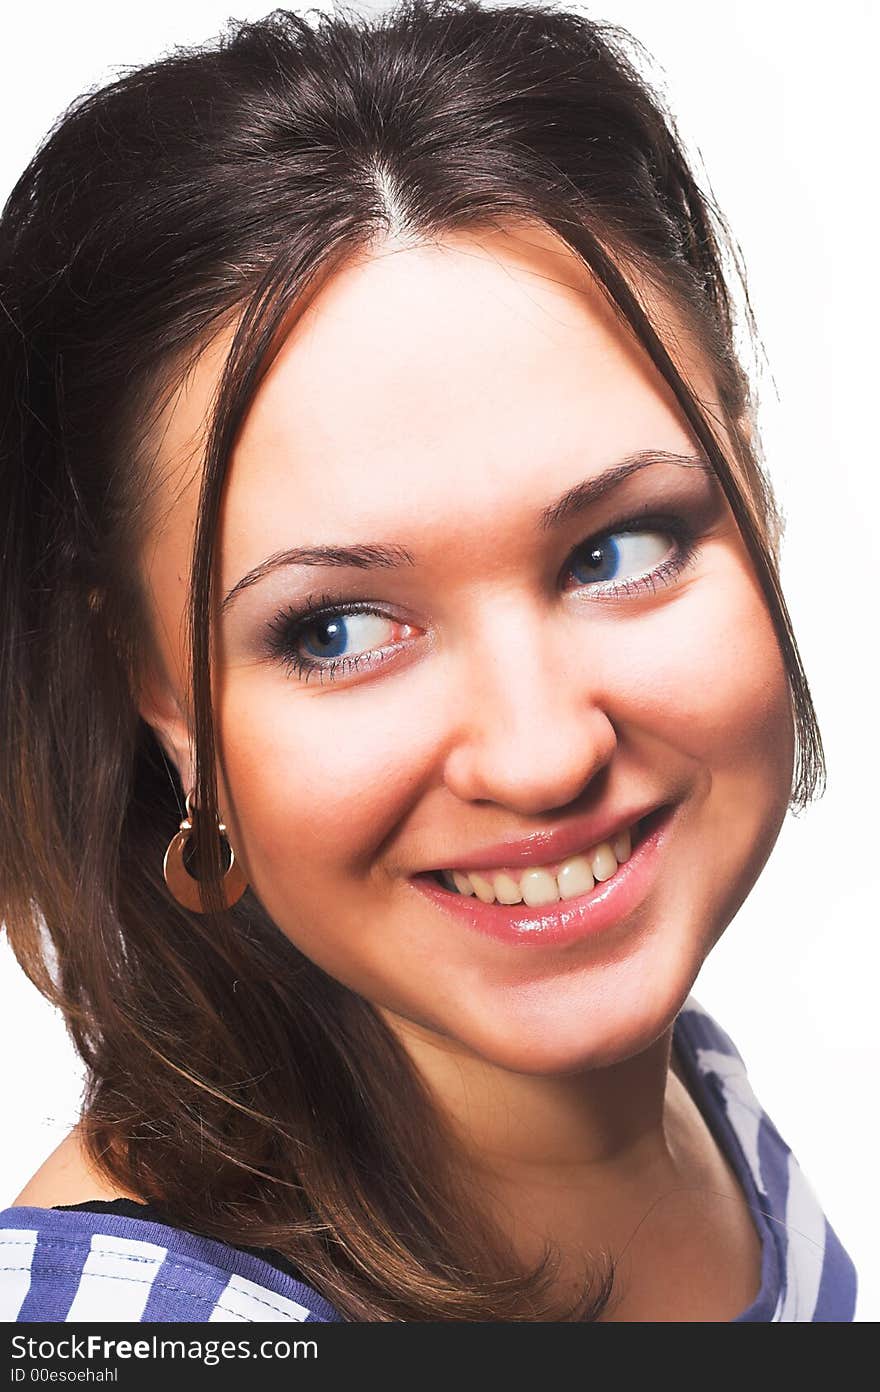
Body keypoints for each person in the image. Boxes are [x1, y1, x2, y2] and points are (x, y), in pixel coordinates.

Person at [0, 0, 857, 1322]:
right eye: (336, 630)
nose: (542, 752)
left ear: (746, 477)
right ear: (158, 690)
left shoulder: (698, 1091)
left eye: (616, 548)